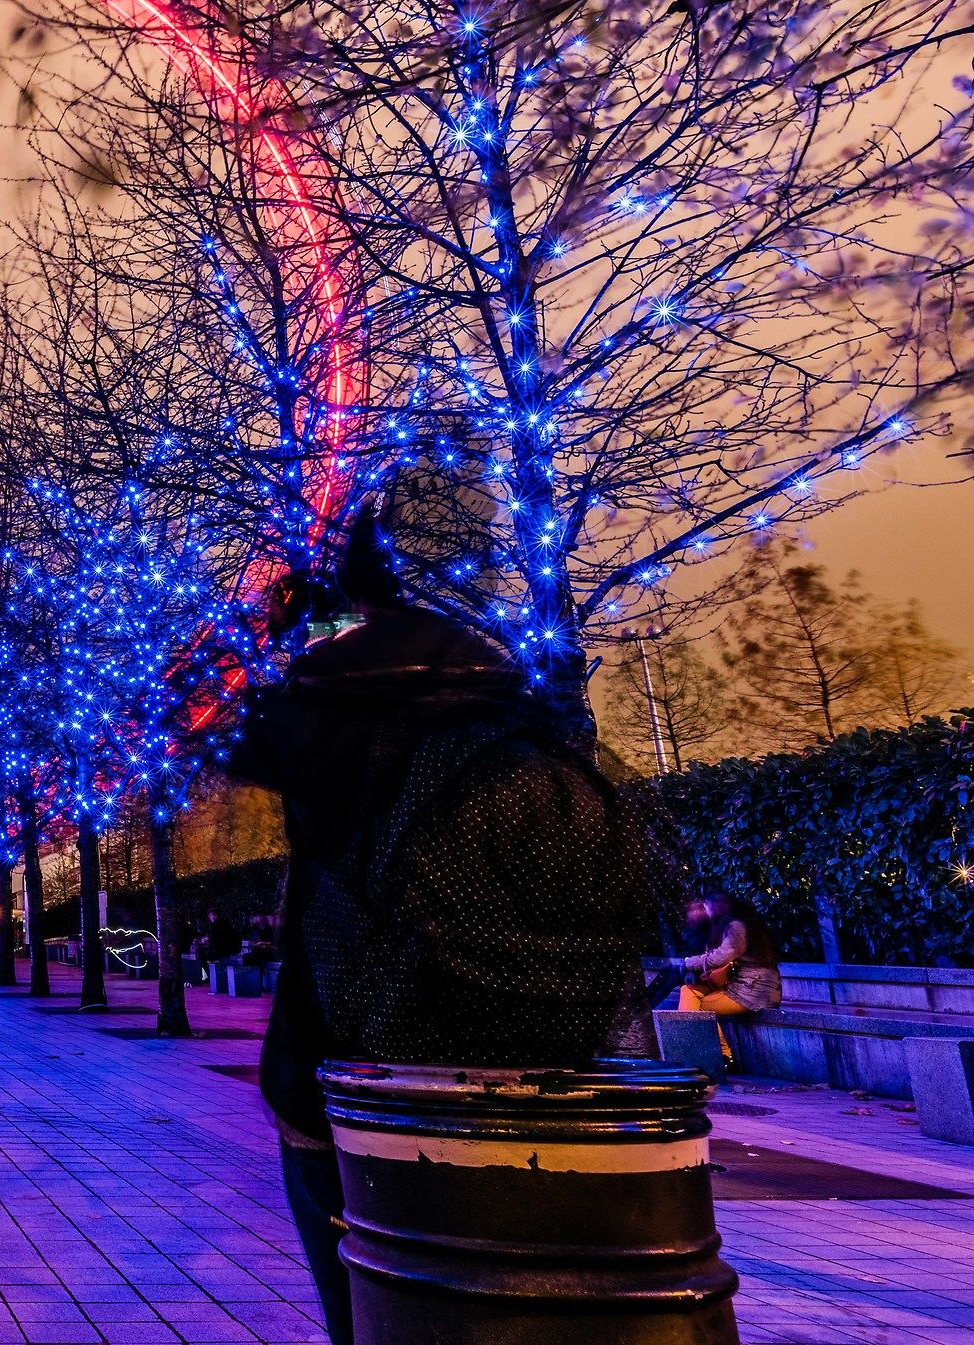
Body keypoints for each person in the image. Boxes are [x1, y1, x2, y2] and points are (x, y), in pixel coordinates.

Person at [226, 506, 654, 1345]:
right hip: (548, 1062)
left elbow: (225, 738)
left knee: (376, 1291)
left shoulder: (329, 700)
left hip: (367, 1070)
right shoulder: (483, 684)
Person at [673, 893, 782, 1016]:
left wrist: (688, 963)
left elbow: (720, 957)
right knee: (688, 991)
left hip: (752, 991)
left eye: (705, 907)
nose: (705, 911)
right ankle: (697, 1034)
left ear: (717, 907)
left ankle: (699, 1035)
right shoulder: (729, 925)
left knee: (695, 1007)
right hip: (746, 986)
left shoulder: (737, 926)